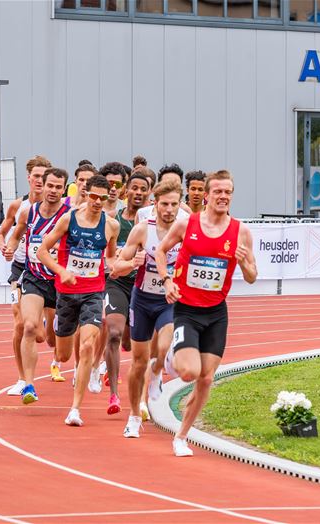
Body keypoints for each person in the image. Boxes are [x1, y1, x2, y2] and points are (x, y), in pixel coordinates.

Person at [155, 169, 257, 456]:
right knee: (189, 372)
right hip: (187, 309)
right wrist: (167, 280)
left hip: (216, 313)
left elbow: (252, 275)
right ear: (207, 195)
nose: (223, 197)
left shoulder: (241, 232)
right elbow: (161, 251)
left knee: (207, 379)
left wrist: (245, 262)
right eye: (218, 192)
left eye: (228, 192)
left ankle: (181, 436)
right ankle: (172, 354)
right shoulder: (188, 224)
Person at [37, 174, 119, 427]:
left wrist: (122, 265)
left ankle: (75, 409)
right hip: (66, 293)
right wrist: (61, 271)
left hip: (94, 292)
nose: (96, 201)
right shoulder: (68, 219)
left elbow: (111, 259)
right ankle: (52, 325)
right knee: (62, 356)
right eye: (92, 196)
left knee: (86, 347)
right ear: (85, 193)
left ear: (107, 199)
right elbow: (42, 251)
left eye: (101, 198)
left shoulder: (111, 226)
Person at [111, 180, 182, 438]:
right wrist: (133, 262)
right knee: (138, 362)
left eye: (174, 204)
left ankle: (157, 372)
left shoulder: (185, 230)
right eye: (164, 204)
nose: (169, 209)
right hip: (141, 301)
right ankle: (133, 416)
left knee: (163, 346)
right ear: (155, 203)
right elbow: (116, 269)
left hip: (168, 301)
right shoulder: (142, 230)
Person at [4, 167, 70, 403]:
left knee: (58, 347)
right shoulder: (28, 212)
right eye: (49, 185)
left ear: (64, 189)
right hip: (34, 278)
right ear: (42, 184)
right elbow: (15, 235)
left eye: (57, 187)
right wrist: (10, 247)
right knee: (29, 327)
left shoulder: (69, 215)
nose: (52, 190)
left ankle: (50, 327)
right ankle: (29, 385)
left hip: (60, 282)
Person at [0, 155, 51, 396]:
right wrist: (5, 247)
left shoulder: (57, 208)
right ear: (29, 178)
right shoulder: (18, 207)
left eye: (43, 176)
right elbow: (2, 234)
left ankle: (43, 320)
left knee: (40, 336)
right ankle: (21, 378)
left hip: (45, 271)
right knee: (19, 323)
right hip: (20, 270)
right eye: (36, 176)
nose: (39, 180)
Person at [97, 171, 150, 416]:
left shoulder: (152, 221)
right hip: (116, 283)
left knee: (130, 343)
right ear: (126, 190)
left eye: (143, 189)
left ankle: (140, 388)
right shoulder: (112, 219)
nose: (138, 193)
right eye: (135, 188)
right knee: (114, 333)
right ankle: (114, 396)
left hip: (143, 286)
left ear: (149, 193)